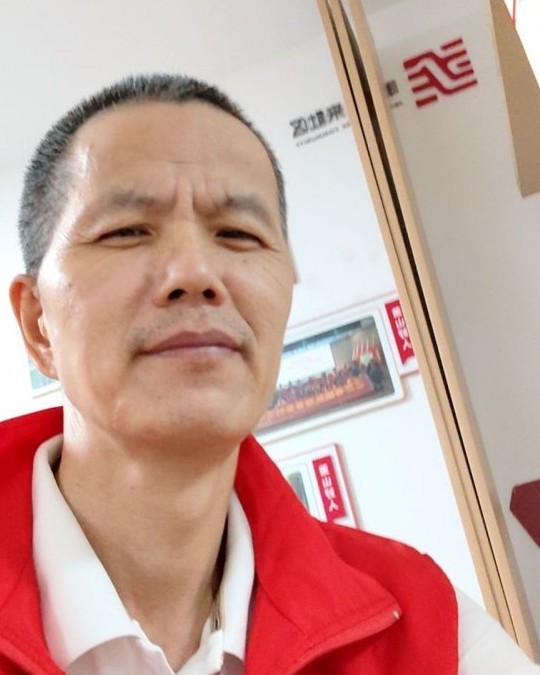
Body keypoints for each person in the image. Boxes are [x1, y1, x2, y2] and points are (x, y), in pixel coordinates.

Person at [1, 74, 539, 675]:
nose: (195, 272)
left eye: (238, 234)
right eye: (126, 232)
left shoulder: (422, 623)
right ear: (38, 322)